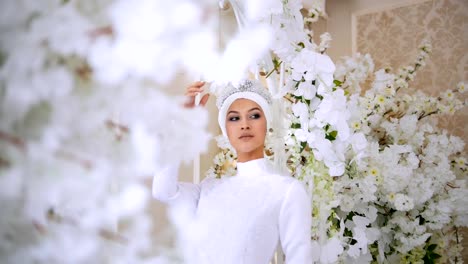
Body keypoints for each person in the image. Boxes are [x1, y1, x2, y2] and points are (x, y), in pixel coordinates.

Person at [153, 80, 312, 264]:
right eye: (234, 118)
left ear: (267, 122)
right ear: (225, 129)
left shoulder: (286, 191)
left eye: (254, 116)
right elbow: (162, 190)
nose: (244, 125)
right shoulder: (209, 188)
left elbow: (299, 258)